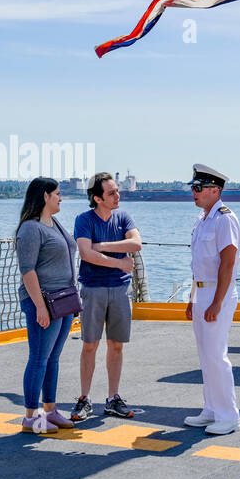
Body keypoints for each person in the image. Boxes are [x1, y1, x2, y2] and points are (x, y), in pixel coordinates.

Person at [71, 172, 142, 421]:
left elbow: (136, 244)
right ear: (97, 198)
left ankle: (113, 398)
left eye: (117, 191)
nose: (117, 196)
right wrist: (119, 264)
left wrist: (101, 246)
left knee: (117, 345)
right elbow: (85, 254)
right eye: (111, 193)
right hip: (93, 288)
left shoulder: (123, 217)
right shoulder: (83, 220)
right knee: (90, 344)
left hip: (121, 290)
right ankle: (84, 398)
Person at [15, 177, 78, 434]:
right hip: (44, 302)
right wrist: (39, 306)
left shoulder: (55, 223)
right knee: (39, 358)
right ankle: (31, 416)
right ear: (44, 196)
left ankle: (50, 411)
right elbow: (27, 270)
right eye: (57, 194)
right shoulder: (31, 229)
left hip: (63, 300)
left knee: (53, 358)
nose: (61, 198)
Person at [183, 164, 240, 436]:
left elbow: (227, 264)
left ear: (214, 190)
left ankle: (228, 416)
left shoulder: (224, 218)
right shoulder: (203, 219)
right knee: (205, 355)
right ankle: (211, 409)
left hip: (218, 292)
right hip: (201, 291)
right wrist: (192, 298)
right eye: (193, 188)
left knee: (217, 355)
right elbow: (199, 264)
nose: (193, 193)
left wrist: (216, 302)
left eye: (198, 188)